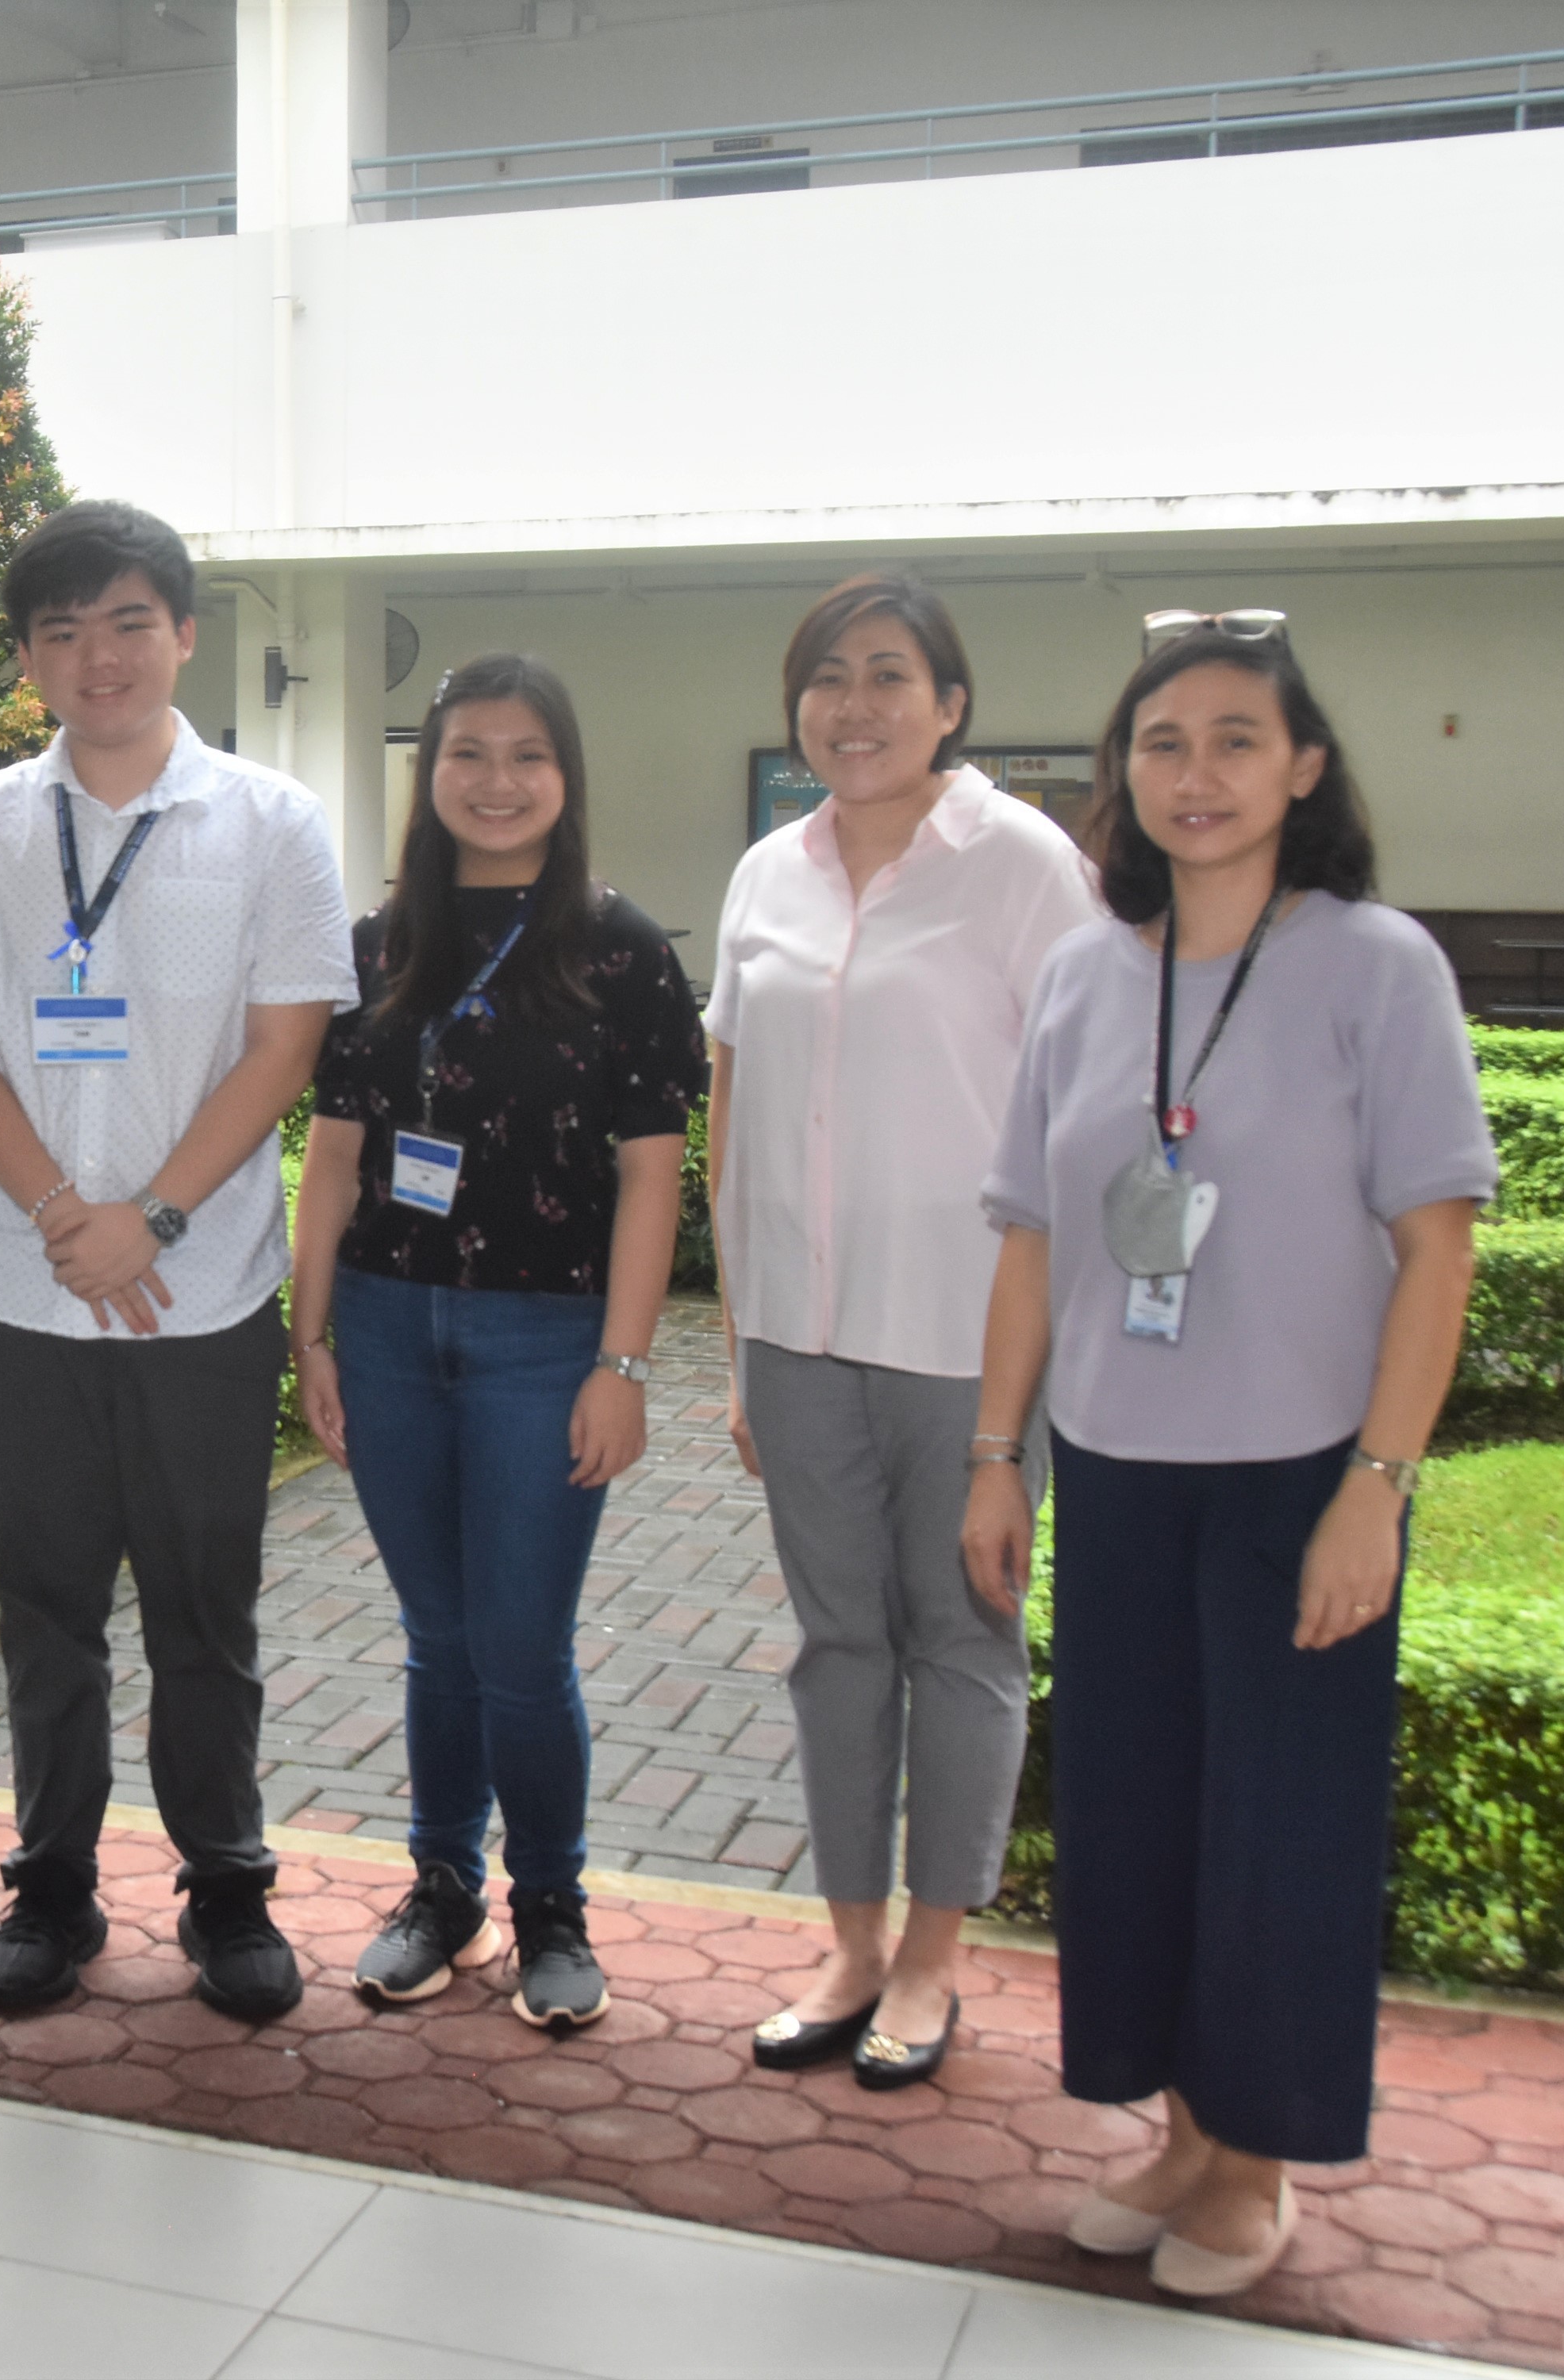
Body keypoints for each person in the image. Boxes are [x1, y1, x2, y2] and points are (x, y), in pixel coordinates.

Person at [963, 613, 1490, 2296]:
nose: (1196, 775)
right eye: (1164, 742)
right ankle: (1183, 2129)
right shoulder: (1083, 973)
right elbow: (1034, 1235)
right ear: (1122, 771)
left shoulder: (1373, 963)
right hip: (1115, 1465)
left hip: (1296, 1473)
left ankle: (1256, 2157)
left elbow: (1438, 1244)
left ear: (1304, 768)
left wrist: (1376, 1491)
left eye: (1236, 741)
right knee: (1135, 1817)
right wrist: (996, 1456)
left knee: (1281, 1825)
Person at [0, 499, 357, 2021]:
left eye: (126, 622)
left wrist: (148, 1217)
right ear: (31, 657)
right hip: (21, 1285)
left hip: (202, 1289)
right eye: (61, 631)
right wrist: (60, 1217)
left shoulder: (273, 822)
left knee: (202, 1609)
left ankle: (228, 1888)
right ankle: (52, 1889)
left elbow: (285, 1045)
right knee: (43, 1608)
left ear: (180, 630)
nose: (96, 657)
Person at [705, 573, 1096, 2089]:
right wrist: (741, 1339)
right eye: (827, 679)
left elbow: (1073, 1126)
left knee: (964, 1635)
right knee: (838, 1645)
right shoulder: (767, 875)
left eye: (889, 675)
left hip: (967, 1340)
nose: (854, 704)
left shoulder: (1022, 866)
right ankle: (853, 1942)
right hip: (799, 1336)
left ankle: (936, 1961)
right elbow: (730, 1105)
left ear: (950, 703)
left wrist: (1016, 1416)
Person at [291, 654, 702, 2029]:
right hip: (394, 1329)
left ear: (566, 775)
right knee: (437, 1638)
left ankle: (552, 1913)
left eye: (527, 755)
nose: (497, 781)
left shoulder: (622, 948)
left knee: (522, 1646)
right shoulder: (375, 944)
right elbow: (337, 1152)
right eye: (467, 753)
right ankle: (443, 1892)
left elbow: (656, 1172)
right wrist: (314, 1336)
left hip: (547, 1342)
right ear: (432, 773)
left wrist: (624, 1365)